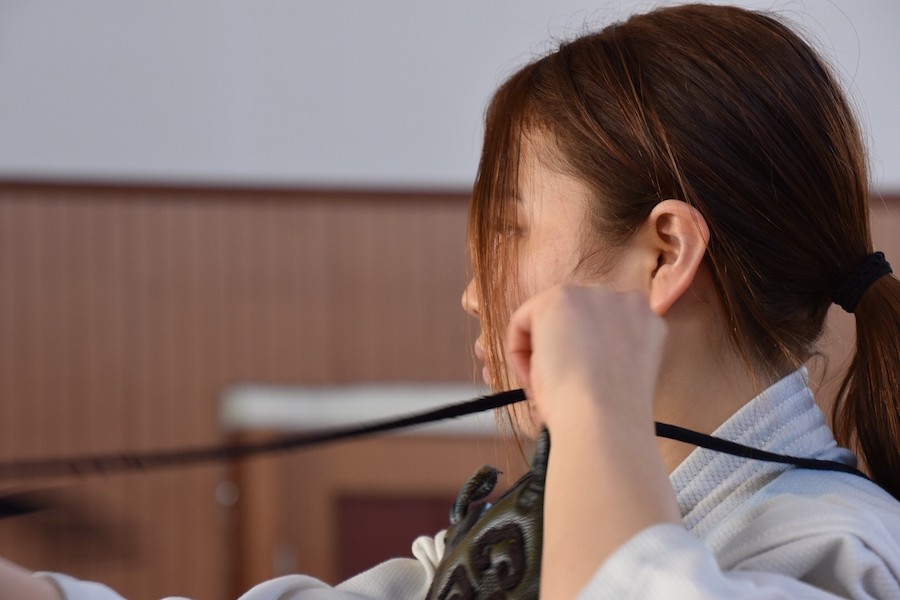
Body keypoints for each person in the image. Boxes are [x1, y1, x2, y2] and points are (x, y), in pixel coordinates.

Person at [3, 3, 900, 598]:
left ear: (664, 253)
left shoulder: (844, 548)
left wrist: (597, 407)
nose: (474, 294)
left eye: (508, 229)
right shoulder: (534, 528)